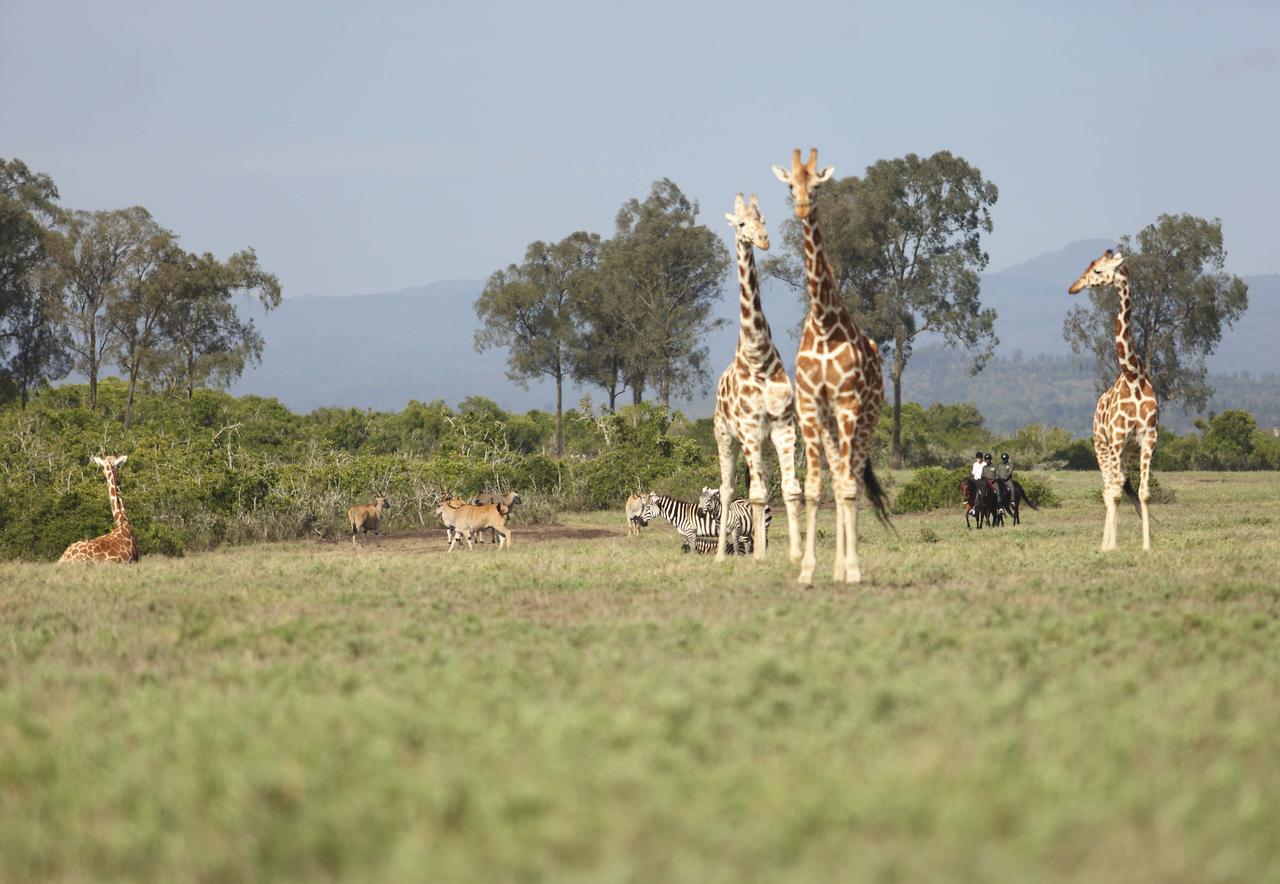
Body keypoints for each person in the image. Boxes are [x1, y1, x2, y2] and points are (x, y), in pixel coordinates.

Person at [968, 452, 985, 516]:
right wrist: (970, 476)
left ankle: (975, 507)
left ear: (981, 458)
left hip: (982, 481)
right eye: (977, 458)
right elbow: (973, 472)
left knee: (979, 492)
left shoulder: (984, 464)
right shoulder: (975, 464)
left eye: (979, 458)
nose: (978, 459)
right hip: (975, 480)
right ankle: (968, 501)